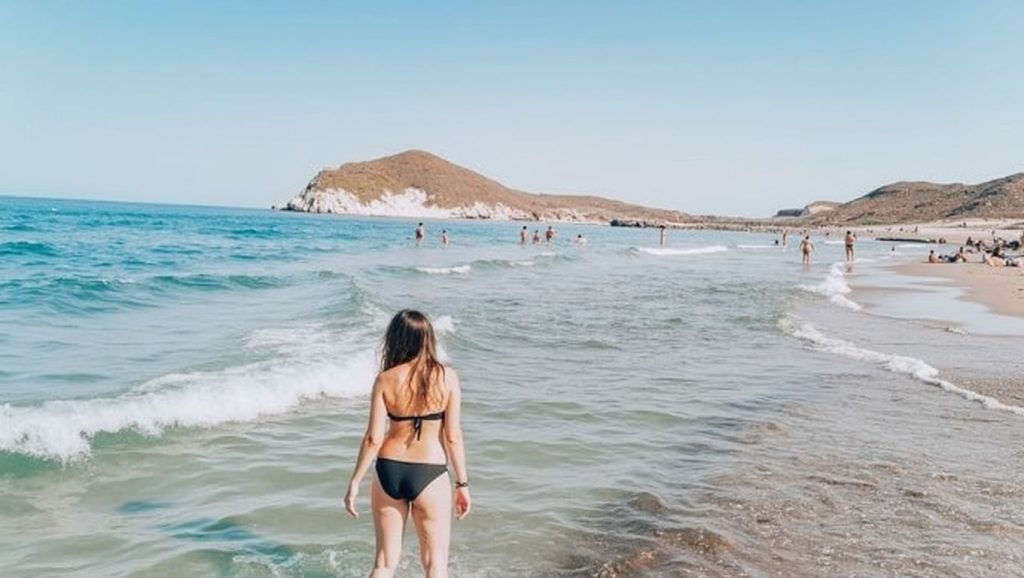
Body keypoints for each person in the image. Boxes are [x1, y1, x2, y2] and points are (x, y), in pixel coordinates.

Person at [345, 310, 471, 577]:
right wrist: (462, 484)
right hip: (430, 472)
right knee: (435, 564)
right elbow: (453, 436)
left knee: (384, 563)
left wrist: (355, 481)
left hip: (389, 471)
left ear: (396, 339)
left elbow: (373, 438)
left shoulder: (385, 379)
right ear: (428, 339)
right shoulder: (447, 377)